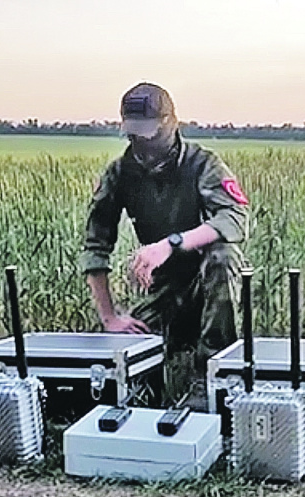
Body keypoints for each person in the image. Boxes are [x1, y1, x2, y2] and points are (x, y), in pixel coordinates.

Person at [79, 82, 249, 407]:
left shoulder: (202, 164)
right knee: (133, 366)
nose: (143, 144)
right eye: (134, 134)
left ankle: (212, 377)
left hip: (207, 282)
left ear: (171, 123)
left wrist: (171, 244)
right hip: (165, 288)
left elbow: (234, 218)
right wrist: (110, 318)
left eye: (150, 134)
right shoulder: (119, 173)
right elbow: (94, 246)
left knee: (223, 255)